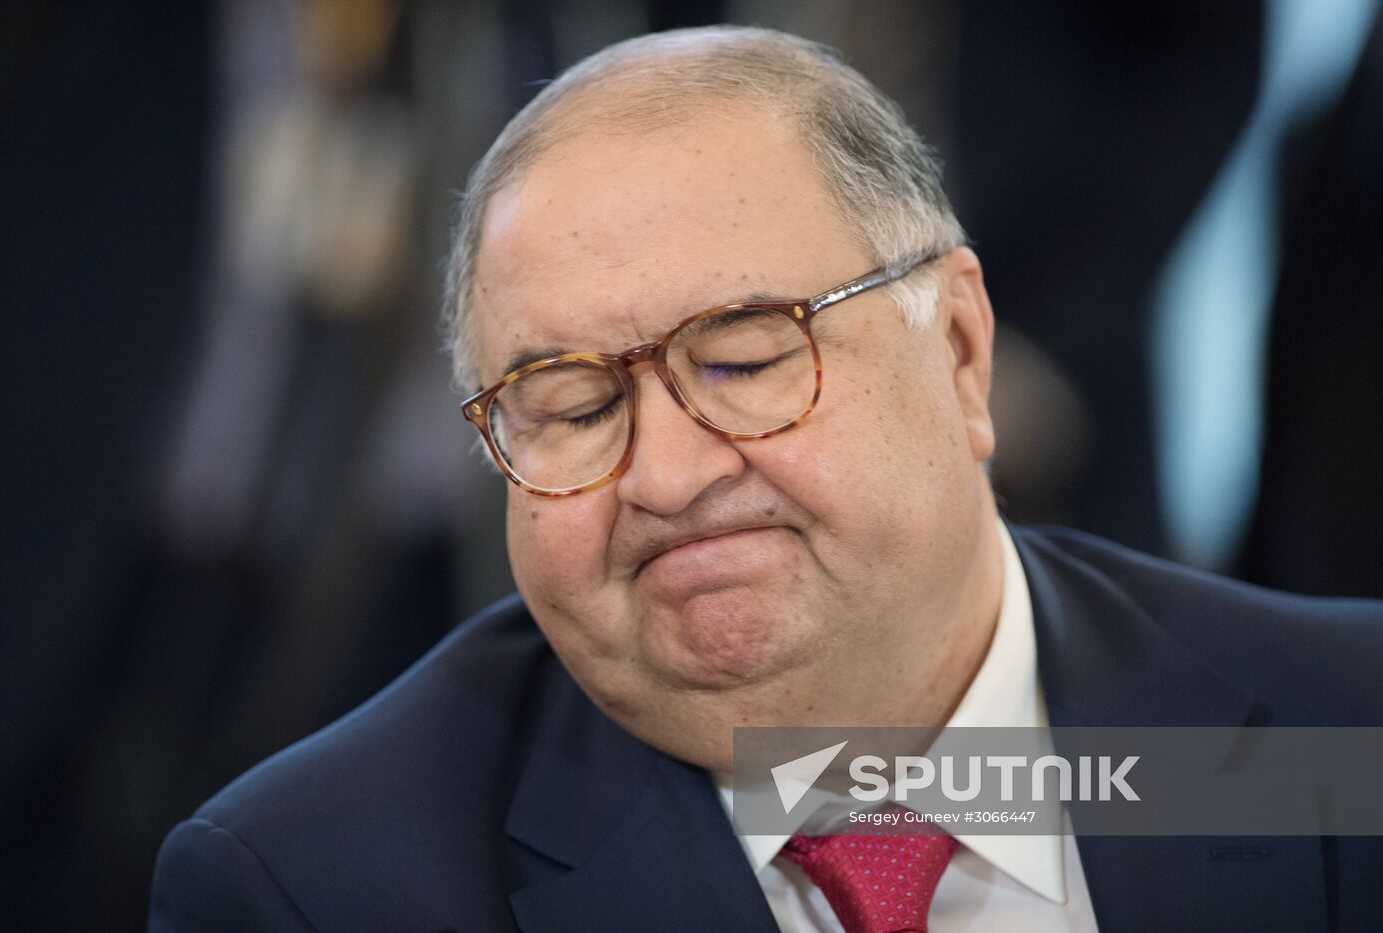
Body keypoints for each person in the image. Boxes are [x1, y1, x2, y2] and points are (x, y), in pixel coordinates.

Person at [149, 26, 1383, 933]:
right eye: (573, 407)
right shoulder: (314, 887)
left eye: (741, 360)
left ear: (958, 351)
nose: (669, 477)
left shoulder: (1344, 738)